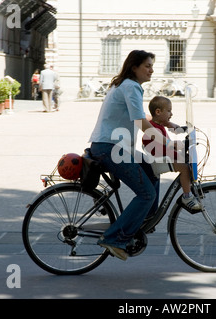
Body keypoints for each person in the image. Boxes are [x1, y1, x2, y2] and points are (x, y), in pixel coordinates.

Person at [89, 50, 178, 261]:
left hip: (110, 146)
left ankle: (143, 221)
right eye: (147, 66)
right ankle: (114, 238)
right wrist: (166, 142)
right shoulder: (131, 86)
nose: (151, 69)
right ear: (134, 67)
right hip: (111, 149)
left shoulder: (122, 85)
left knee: (152, 169)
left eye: (151, 65)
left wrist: (166, 123)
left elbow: (138, 114)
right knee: (147, 194)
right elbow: (140, 121)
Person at [142, 96, 202, 210]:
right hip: (159, 161)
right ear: (158, 112)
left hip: (161, 158)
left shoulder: (156, 125)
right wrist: (178, 150)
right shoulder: (155, 129)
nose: (171, 114)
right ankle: (187, 197)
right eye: (169, 110)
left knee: (184, 163)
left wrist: (181, 129)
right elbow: (163, 149)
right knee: (184, 168)